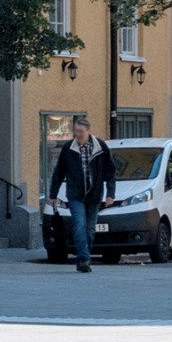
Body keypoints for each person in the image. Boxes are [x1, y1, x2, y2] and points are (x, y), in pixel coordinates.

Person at [49, 113, 113, 274]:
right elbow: (59, 172)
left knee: (90, 229)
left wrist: (110, 193)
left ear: (88, 131)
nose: (77, 134)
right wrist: (53, 194)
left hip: (94, 194)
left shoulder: (101, 147)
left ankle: (84, 256)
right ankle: (83, 258)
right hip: (75, 194)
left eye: (80, 132)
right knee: (79, 225)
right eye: (75, 131)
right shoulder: (69, 148)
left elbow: (110, 171)